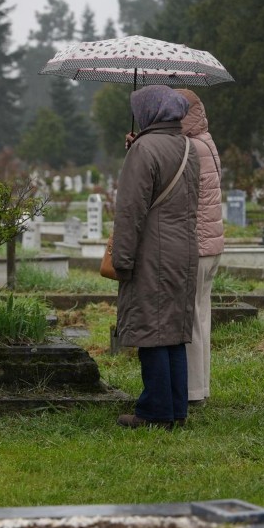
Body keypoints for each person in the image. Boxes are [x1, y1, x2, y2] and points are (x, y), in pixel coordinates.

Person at [110, 85, 200, 429]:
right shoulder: (188, 146)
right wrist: (138, 148)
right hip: (183, 251)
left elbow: (130, 211)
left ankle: (154, 411)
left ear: (150, 113)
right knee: (173, 332)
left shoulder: (144, 149)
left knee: (150, 329)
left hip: (152, 251)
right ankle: (176, 408)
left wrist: (122, 259)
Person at [175, 88, 225, 409]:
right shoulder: (206, 140)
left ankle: (192, 391)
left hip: (197, 244)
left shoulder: (190, 147)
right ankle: (202, 386)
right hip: (212, 244)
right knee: (201, 316)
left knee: (190, 320)